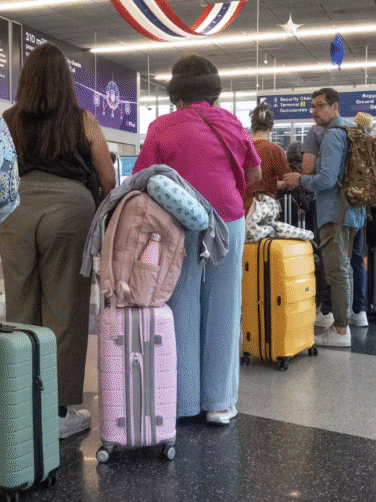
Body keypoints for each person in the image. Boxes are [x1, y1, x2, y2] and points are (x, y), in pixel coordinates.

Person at [134, 54, 261, 425]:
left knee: (181, 299)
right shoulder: (234, 124)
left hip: (180, 219)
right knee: (224, 302)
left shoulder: (162, 126)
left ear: (176, 91)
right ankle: (219, 403)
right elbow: (253, 176)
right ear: (214, 89)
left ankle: (183, 403)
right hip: (229, 216)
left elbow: (144, 177)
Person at [0, 43, 116, 438]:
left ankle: (18, 400)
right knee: (65, 311)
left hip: (16, 208)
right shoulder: (82, 120)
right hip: (70, 211)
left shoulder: (8, 119)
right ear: (66, 82)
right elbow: (108, 178)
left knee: (19, 305)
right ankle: (59, 410)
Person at [281, 88, 364, 347]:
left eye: (320, 106)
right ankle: (343, 322)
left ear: (334, 107)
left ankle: (340, 331)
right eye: (313, 106)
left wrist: (300, 179)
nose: (315, 111)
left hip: (333, 212)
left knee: (336, 271)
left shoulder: (331, 136)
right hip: (353, 210)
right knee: (345, 268)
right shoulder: (353, 131)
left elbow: (326, 179)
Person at [243, 102, 290, 210]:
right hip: (264, 208)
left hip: (240, 207)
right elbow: (288, 180)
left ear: (252, 126)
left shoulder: (239, 148)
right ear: (271, 127)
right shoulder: (274, 150)